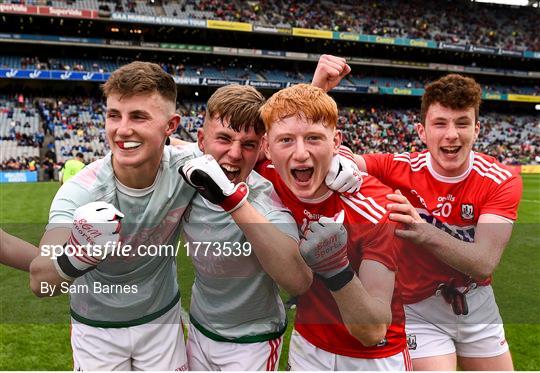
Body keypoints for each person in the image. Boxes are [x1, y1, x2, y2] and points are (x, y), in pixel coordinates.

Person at [313, 55, 522, 371]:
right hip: (416, 308)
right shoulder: (399, 166)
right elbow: (334, 155)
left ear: (477, 130)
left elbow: (483, 264)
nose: (451, 134)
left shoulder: (500, 179)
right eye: (440, 123)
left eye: (462, 123)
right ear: (422, 132)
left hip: (475, 301)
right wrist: (319, 90)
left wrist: (421, 229)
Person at [29, 61, 199, 371]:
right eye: (113, 116)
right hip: (95, 329)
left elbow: (248, 147)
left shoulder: (190, 168)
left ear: (171, 124)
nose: (122, 129)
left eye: (138, 117)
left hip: (161, 321)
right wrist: (76, 256)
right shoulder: (81, 191)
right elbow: (41, 279)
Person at [257, 83, 411, 370]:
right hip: (308, 346)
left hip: (374, 358)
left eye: (314, 138)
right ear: (266, 146)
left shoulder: (376, 208)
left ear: (336, 142)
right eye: (286, 140)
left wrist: (336, 269)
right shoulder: (267, 175)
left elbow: (373, 330)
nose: (300, 153)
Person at [176, 84, 313, 370]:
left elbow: (298, 281)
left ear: (261, 148)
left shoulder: (266, 200)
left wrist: (233, 202)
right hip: (200, 330)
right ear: (201, 141)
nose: (235, 154)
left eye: (248, 144)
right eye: (224, 139)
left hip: (252, 340)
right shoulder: (188, 174)